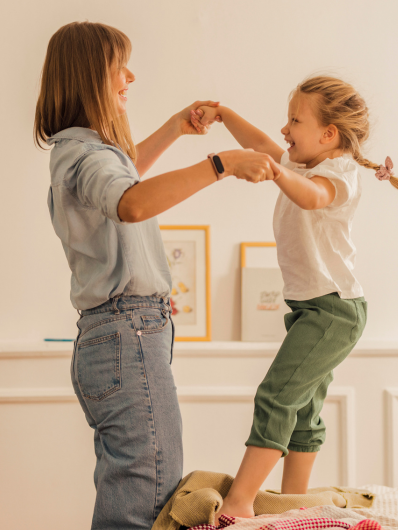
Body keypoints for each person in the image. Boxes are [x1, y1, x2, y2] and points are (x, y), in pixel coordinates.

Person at [34, 21, 277, 530]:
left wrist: (173, 129)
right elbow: (131, 201)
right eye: (119, 66)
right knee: (144, 497)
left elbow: (123, 176)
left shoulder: (78, 155)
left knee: (136, 486)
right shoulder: (87, 158)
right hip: (128, 332)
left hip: (115, 334)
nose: (131, 76)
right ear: (89, 78)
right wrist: (222, 163)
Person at [191, 75, 397, 521]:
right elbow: (263, 144)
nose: (285, 129)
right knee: (301, 408)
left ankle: (240, 502)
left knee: (276, 395)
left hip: (334, 309)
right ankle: (295, 504)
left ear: (328, 135)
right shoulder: (305, 160)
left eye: (295, 120)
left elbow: (312, 197)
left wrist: (279, 171)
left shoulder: (336, 174)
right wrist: (225, 115)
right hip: (314, 307)